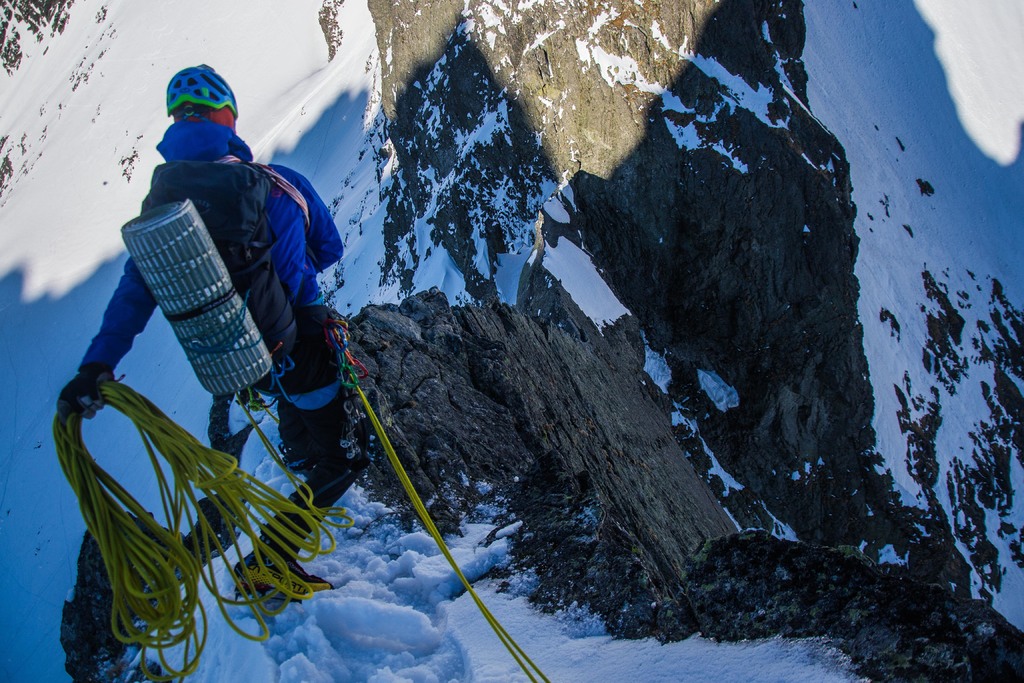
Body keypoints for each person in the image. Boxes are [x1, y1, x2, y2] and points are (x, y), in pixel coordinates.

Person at [57, 65, 370, 597]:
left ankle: (299, 455)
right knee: (347, 457)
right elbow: (325, 252)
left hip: (239, 360)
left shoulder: (164, 209)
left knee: (295, 406)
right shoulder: (275, 185)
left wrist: (96, 365)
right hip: (299, 347)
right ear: (228, 117)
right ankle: (269, 561)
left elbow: (134, 293)